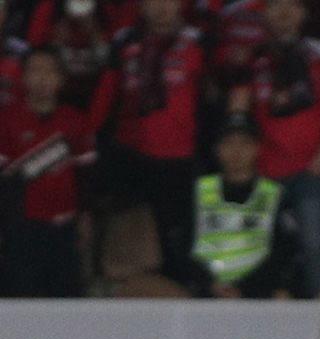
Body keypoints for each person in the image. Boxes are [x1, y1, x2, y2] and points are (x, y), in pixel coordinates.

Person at [234, 0, 320, 296]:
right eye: (275, 6)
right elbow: (238, 112)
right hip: (266, 167)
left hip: (310, 167)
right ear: (264, 13)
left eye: (291, 6)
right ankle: (259, 313)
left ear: (304, 13)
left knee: (315, 247)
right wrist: (242, 159)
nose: (283, 13)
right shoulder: (255, 58)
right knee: (259, 245)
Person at [94, 0, 205, 268]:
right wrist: (91, 135)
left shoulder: (198, 41)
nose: (161, 7)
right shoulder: (125, 41)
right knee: (128, 234)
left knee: (178, 239)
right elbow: (107, 93)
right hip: (131, 154)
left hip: (179, 157)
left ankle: (178, 295)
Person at [0, 45, 93, 297]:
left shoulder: (74, 120)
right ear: (23, 77)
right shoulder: (7, 120)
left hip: (63, 228)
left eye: (49, 72)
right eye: (35, 71)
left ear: (61, 79)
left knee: (65, 300)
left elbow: (84, 174)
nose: (42, 79)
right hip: (22, 230)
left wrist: (84, 215)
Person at [182, 114, 297, 297]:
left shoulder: (274, 194)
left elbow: (284, 252)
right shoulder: (199, 190)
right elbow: (183, 246)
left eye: (245, 144)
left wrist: (245, 288)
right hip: (205, 294)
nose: (237, 151)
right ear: (217, 149)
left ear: (258, 148)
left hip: (258, 295)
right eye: (228, 143)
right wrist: (210, 284)